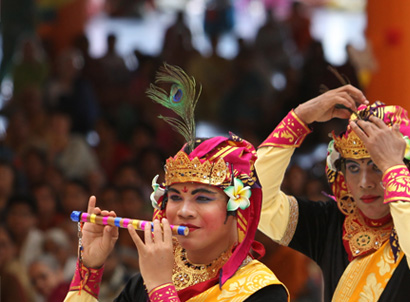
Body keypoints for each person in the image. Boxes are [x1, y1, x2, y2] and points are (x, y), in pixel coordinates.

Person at [63, 64, 288, 301]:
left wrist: (161, 288)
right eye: (175, 197)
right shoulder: (148, 277)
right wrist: (89, 269)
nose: (184, 211)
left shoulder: (261, 291)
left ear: (238, 207)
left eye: (202, 198)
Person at [255, 86, 410, 301]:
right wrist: (299, 118)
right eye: (353, 168)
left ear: (405, 168)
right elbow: (259, 204)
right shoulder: (333, 221)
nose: (365, 182)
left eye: (376, 166)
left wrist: (391, 165)